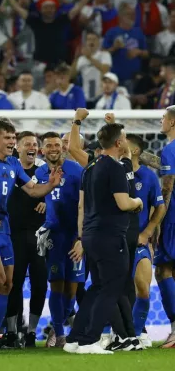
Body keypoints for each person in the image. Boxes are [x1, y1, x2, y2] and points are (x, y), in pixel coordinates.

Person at [0, 119, 62, 353]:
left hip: (5, 228)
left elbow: (33, 190)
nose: (11, 142)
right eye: (7, 138)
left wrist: (51, 184)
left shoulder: (14, 163)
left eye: (13, 138)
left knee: (8, 283)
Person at [65, 123, 143, 354]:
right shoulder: (115, 168)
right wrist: (137, 202)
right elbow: (123, 202)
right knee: (111, 287)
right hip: (110, 236)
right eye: (125, 138)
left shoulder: (90, 167)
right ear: (119, 143)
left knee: (98, 286)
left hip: (91, 234)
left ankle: (74, 338)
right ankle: (89, 340)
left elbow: (83, 204)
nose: (127, 142)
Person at [35, 132, 84, 349]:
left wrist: (83, 236)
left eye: (57, 144)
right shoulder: (38, 173)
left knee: (72, 289)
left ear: (63, 147)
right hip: (54, 236)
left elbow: (86, 202)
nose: (54, 148)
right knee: (56, 285)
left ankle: (57, 328)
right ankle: (60, 334)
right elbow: (31, 196)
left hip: (75, 236)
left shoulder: (76, 170)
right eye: (49, 145)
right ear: (42, 150)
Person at [5, 131, 47, 348]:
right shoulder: (9, 169)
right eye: (27, 144)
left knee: (39, 283)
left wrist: (48, 202)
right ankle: (13, 331)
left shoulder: (44, 171)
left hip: (40, 235)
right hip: (15, 234)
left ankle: (31, 332)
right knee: (14, 283)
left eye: (35, 144)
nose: (32, 147)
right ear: (17, 148)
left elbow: (58, 193)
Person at [128, 134, 164, 347]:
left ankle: (138, 331)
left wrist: (147, 232)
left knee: (142, 287)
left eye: (124, 145)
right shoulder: (114, 174)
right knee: (113, 289)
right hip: (115, 241)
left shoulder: (148, 177)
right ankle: (108, 332)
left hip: (140, 241)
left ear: (135, 151)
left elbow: (160, 206)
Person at [154, 105, 175, 348]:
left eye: (163, 117)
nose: (161, 120)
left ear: (171, 123)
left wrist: (156, 222)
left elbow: (167, 186)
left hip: (172, 218)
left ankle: (174, 329)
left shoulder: (170, 149)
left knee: (163, 270)